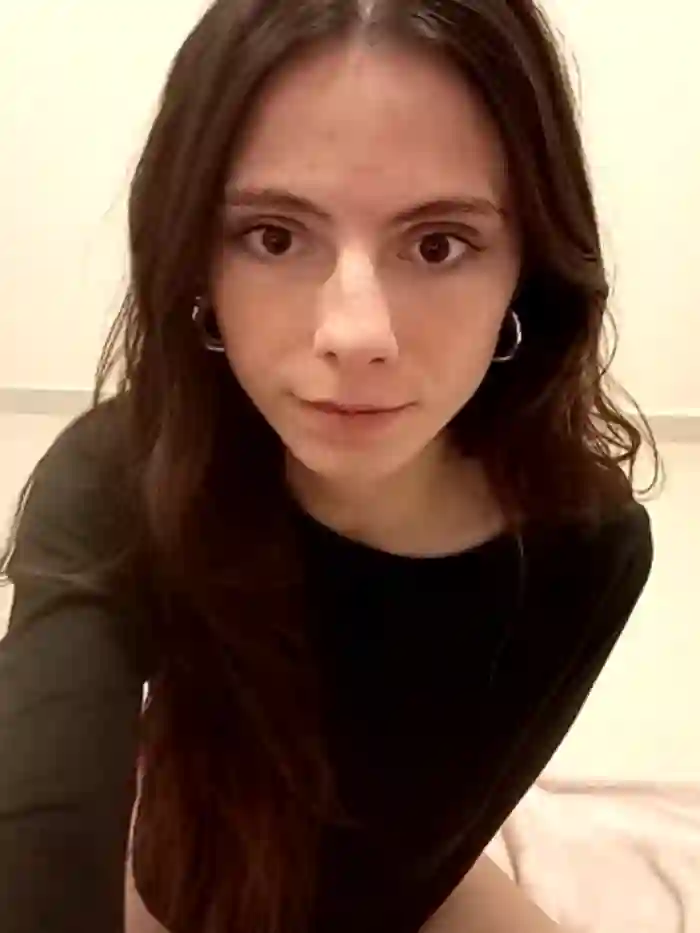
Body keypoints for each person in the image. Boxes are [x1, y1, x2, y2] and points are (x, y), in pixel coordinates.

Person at [0, 1, 657, 931]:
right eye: (274, 235)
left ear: (529, 268)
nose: (355, 332)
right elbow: (39, 825)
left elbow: (435, 843)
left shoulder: (590, 542)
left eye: (438, 243)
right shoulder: (120, 480)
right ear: (195, 261)